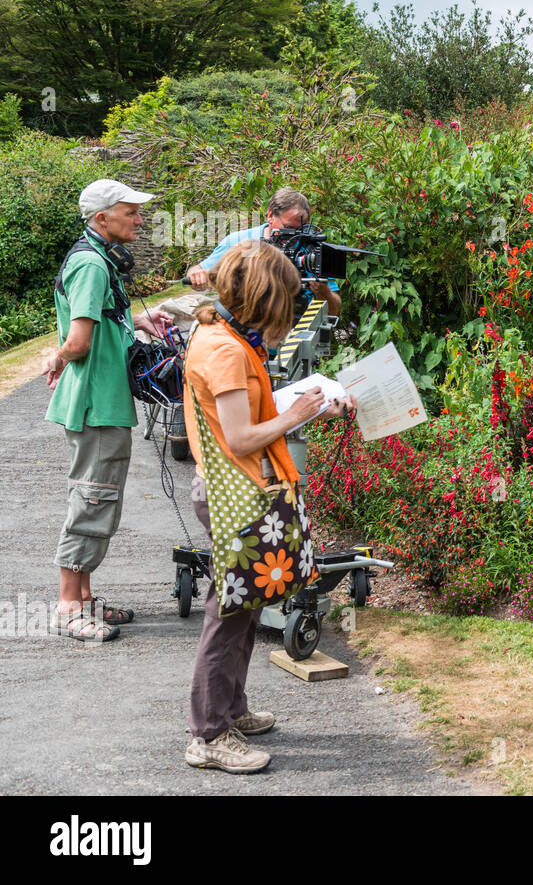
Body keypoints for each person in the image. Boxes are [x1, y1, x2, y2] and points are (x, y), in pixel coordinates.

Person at [183, 239, 353, 773]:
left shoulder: (222, 334)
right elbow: (238, 438)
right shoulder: (228, 351)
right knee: (229, 617)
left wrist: (297, 408)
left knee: (244, 609)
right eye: (286, 305)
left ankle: (231, 710)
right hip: (237, 493)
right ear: (263, 301)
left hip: (241, 491)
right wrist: (299, 409)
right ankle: (209, 735)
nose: (290, 316)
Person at [43, 179, 173, 642]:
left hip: (106, 401)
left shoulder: (100, 261)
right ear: (103, 219)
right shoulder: (92, 265)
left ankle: (85, 599)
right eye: (131, 211)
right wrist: (59, 355)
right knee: (92, 499)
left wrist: (136, 319)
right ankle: (68, 607)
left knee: (98, 497)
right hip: (97, 403)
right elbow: (78, 341)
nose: (140, 219)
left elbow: (99, 320)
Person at [184, 187, 341, 317]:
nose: (295, 236)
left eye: (301, 230)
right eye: (288, 229)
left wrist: (324, 292)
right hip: (247, 339)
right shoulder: (243, 242)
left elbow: (333, 312)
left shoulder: (311, 249)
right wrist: (196, 276)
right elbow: (197, 271)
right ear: (270, 215)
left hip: (296, 340)